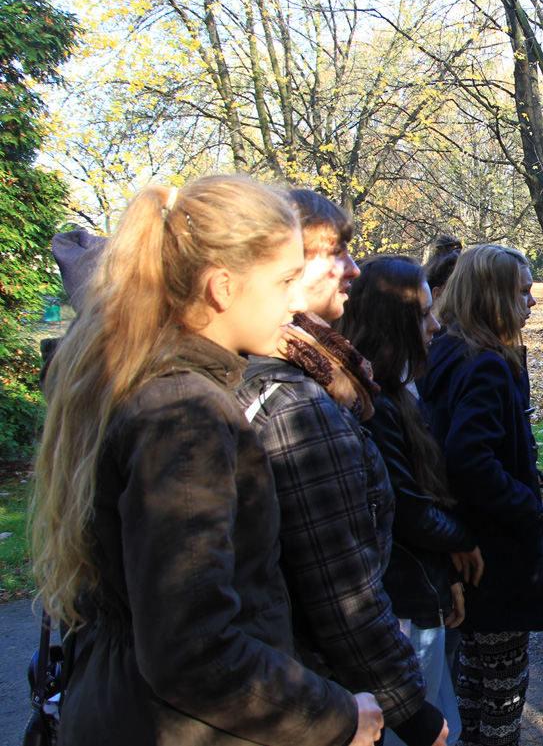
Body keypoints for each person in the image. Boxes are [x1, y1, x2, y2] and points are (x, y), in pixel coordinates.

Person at [32, 176, 384, 745]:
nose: (297, 303)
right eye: (285, 280)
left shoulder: (142, 380)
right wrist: (336, 715)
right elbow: (193, 649)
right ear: (223, 287)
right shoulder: (184, 413)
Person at [237, 191, 448, 746]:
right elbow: (338, 586)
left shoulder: (325, 379)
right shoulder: (293, 400)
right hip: (322, 686)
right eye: (335, 252)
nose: (352, 268)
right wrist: (411, 711)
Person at [337, 255, 488, 745]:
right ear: (391, 322)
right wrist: (462, 541)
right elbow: (407, 510)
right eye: (423, 315)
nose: (435, 325)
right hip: (403, 604)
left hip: (425, 591)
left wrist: (447, 576)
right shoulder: (372, 404)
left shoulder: (397, 388)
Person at [416, 245, 543, 746]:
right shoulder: (485, 363)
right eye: (523, 292)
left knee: (472, 683)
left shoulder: (446, 350)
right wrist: (528, 507)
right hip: (495, 555)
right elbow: (468, 459)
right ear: (492, 295)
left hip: (469, 544)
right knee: (499, 692)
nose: (531, 303)